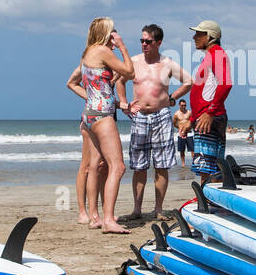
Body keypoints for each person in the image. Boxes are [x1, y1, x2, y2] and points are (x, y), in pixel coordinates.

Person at [68, 17, 134, 233]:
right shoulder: (104, 52)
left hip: (90, 113)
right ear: (106, 32)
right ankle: (108, 220)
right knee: (118, 166)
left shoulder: (88, 52)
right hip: (102, 115)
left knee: (96, 165)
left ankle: (96, 217)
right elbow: (129, 72)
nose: (115, 33)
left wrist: (117, 102)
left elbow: (98, 87)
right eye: (112, 30)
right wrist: (122, 47)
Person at [120, 24, 192, 221]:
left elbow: (189, 81)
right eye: (142, 40)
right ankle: (137, 209)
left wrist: (172, 98)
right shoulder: (133, 62)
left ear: (158, 43)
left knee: (161, 165)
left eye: (148, 41)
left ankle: (158, 209)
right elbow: (119, 81)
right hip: (140, 115)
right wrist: (125, 104)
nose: (144, 44)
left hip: (161, 115)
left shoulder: (167, 63)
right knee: (139, 165)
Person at [189, 20, 233, 184]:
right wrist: (193, 119)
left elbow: (226, 83)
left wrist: (209, 112)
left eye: (199, 34)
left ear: (210, 37)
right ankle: (209, 201)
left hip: (210, 116)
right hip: (205, 116)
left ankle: (209, 203)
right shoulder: (211, 55)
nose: (194, 37)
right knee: (207, 168)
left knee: (209, 168)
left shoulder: (217, 54)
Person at [67, 64, 107, 224]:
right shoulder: (89, 61)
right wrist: (91, 97)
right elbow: (71, 83)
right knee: (87, 166)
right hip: (91, 116)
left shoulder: (109, 62)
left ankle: (101, 212)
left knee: (103, 166)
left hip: (107, 115)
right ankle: (83, 212)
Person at [172, 99, 193, 168]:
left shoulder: (189, 113)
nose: (184, 107)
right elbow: (174, 123)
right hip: (181, 133)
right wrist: (180, 128)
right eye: (182, 105)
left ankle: (194, 163)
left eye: (185, 105)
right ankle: (183, 164)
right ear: (179, 105)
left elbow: (192, 122)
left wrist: (187, 128)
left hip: (189, 133)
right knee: (182, 150)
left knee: (192, 149)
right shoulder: (176, 114)